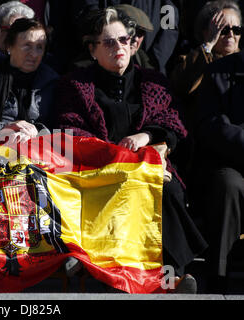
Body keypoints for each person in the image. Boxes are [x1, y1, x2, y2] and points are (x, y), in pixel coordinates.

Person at [55, 7, 208, 292]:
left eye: (124, 40)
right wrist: (116, 155)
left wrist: (147, 135)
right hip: (98, 168)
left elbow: (175, 127)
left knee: (169, 190)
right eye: (109, 42)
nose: (119, 47)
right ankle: (103, 268)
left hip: (149, 166)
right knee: (126, 186)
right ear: (92, 50)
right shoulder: (75, 85)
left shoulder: (153, 82)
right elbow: (70, 129)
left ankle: (171, 277)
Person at [0, 18, 59, 143]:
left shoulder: (52, 84)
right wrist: (4, 129)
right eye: (27, 46)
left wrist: (37, 131)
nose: (34, 54)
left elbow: (61, 130)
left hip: (38, 154)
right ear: (9, 46)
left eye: (39, 47)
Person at [195, 49, 244, 293]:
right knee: (228, 186)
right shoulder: (217, 73)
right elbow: (211, 127)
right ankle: (219, 281)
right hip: (232, 163)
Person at [170, 0, 242, 130]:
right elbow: (182, 87)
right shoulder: (191, 60)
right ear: (206, 31)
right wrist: (208, 44)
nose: (231, 35)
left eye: (236, 29)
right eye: (224, 29)